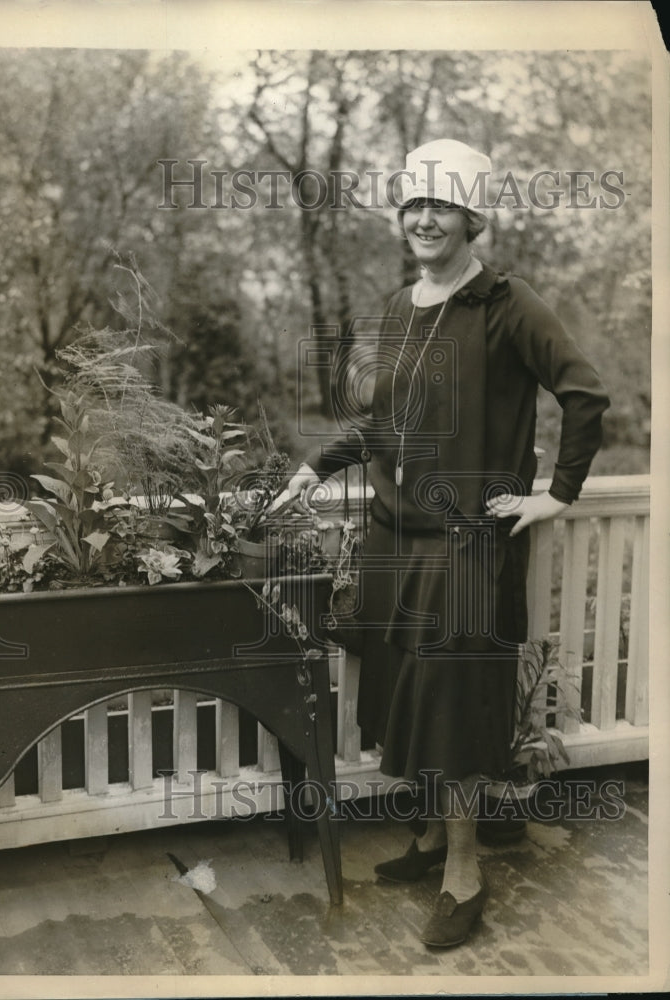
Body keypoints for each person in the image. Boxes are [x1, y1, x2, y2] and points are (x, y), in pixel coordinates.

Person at [288, 138, 610, 947]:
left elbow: (584, 396)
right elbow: (385, 418)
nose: (424, 218)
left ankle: (464, 874)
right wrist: (315, 466)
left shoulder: (508, 303)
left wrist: (556, 497)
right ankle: (431, 837)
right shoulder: (398, 308)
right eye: (412, 205)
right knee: (405, 690)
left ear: (471, 217)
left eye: (440, 205)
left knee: (456, 707)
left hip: (469, 543)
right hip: (395, 533)